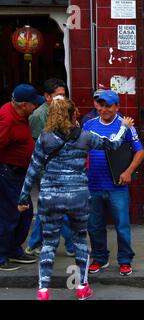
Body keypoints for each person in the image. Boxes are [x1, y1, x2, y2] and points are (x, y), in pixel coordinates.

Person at [17, 97, 136, 300]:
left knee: (49, 244)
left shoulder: (44, 138)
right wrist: (124, 127)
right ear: (74, 116)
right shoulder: (85, 136)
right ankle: (82, 287)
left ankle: (43, 291)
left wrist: (23, 197)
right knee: (81, 240)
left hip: (50, 196)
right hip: (78, 196)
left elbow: (33, 169)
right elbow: (114, 145)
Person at [83, 90, 144, 276]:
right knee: (94, 226)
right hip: (93, 185)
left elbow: (139, 151)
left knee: (122, 225)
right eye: (101, 105)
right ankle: (99, 258)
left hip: (117, 186)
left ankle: (125, 260)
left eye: (108, 106)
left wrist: (128, 172)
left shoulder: (125, 125)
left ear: (117, 107)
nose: (104, 109)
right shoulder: (89, 125)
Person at [26, 78, 74, 257]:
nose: (62, 98)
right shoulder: (39, 116)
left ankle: (34, 244)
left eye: (63, 95)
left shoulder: (64, 111)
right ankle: (70, 244)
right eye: (58, 95)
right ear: (47, 97)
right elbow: (38, 148)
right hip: (47, 171)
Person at [0, 84, 42, 271]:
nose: (36, 107)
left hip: (19, 173)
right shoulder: (7, 120)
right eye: (34, 104)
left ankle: (13, 249)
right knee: (10, 214)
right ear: (24, 104)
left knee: (25, 213)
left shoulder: (18, 114)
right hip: (9, 173)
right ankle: (2, 255)